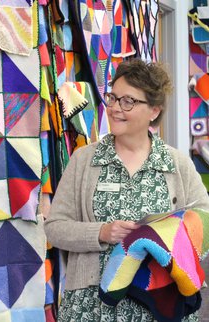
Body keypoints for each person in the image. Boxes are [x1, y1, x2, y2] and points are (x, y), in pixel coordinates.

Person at [44, 58, 209, 321]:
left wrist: (163, 236)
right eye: (112, 98)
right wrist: (101, 232)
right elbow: (54, 227)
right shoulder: (84, 161)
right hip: (92, 307)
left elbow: (204, 223)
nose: (115, 108)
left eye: (128, 101)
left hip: (159, 306)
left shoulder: (176, 164)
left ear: (154, 110)